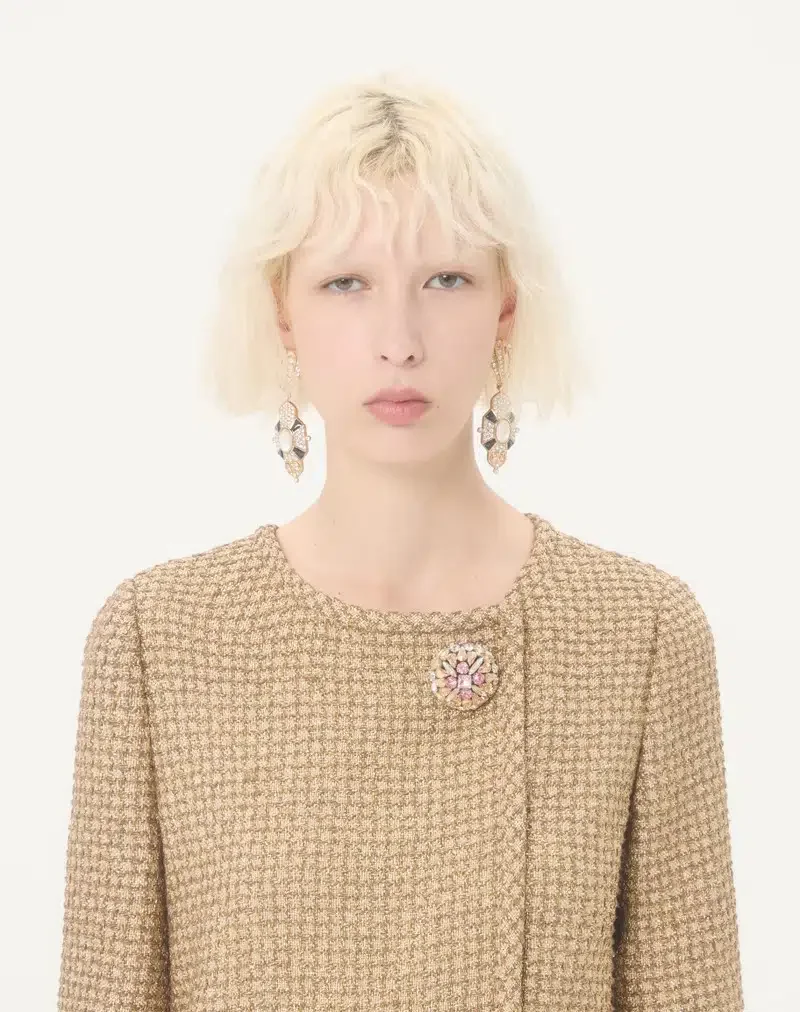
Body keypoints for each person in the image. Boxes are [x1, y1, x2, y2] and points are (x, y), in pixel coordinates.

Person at [57, 71, 745, 1011]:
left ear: (505, 308)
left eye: (446, 280)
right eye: (346, 283)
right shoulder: (159, 638)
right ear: (283, 312)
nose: (399, 340)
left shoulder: (640, 634)